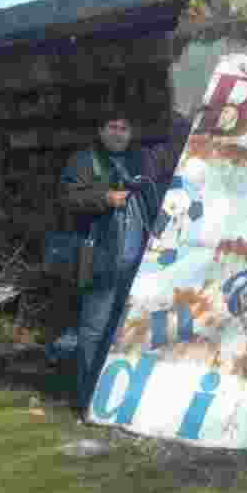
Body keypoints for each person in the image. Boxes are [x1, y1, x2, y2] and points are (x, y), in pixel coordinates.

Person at [56, 111, 186, 423]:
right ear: (100, 131)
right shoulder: (84, 161)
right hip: (103, 261)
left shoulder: (140, 159)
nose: (118, 133)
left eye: (124, 127)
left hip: (139, 266)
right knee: (93, 329)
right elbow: (67, 197)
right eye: (112, 127)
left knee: (130, 330)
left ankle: (119, 400)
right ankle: (86, 399)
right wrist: (104, 197)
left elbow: (172, 155)